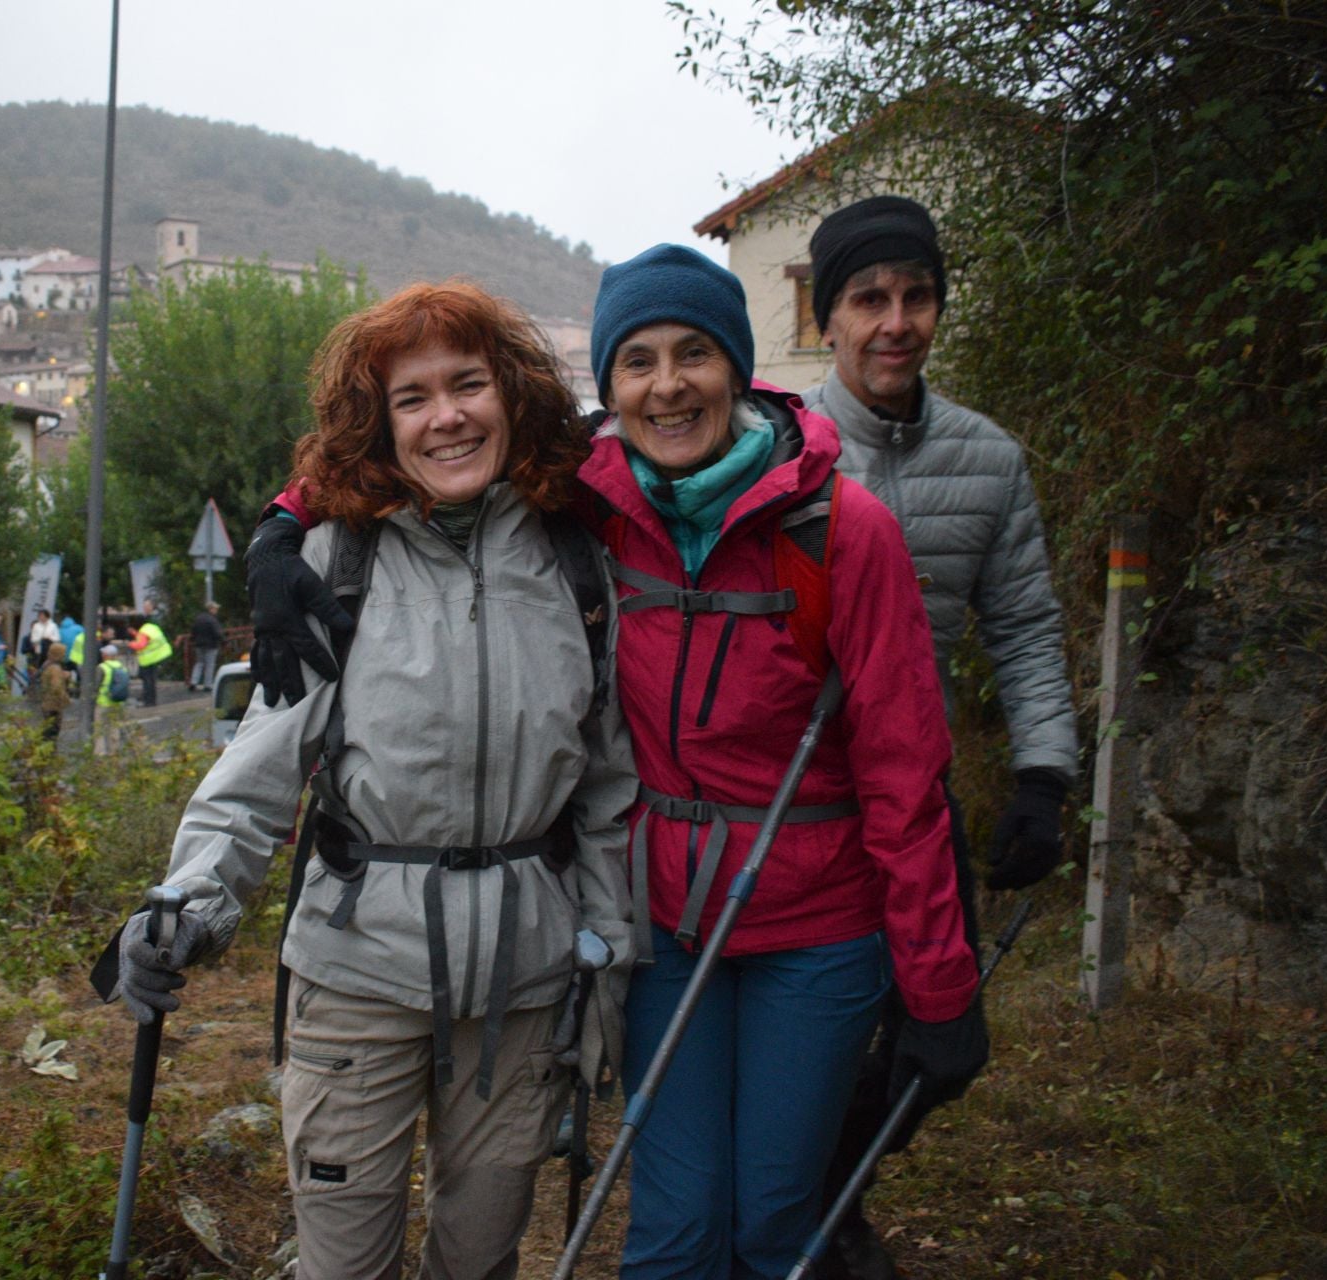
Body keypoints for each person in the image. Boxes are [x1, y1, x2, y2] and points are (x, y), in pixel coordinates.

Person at [246, 247, 984, 1278]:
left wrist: (941, 985)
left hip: (816, 922)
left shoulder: (840, 530)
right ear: (610, 384)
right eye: (637, 361)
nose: (668, 385)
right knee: (675, 1226)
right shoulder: (589, 500)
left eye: (695, 354)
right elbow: (409, 440)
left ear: (738, 366)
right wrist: (283, 526)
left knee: (778, 1218)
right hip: (661, 922)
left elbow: (907, 777)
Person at [110, 281, 636, 1280]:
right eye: (412, 397)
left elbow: (605, 783)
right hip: (358, 970)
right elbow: (260, 767)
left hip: (525, 980)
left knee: (479, 1263)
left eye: (468, 384)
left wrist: (608, 952)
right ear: (381, 423)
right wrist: (188, 901)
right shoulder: (333, 560)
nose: (447, 416)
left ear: (512, 394)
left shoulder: (574, 557)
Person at [799, 195, 1078, 1278]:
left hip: (914, 796)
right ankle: (802, 1216)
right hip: (792, 800)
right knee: (813, 1030)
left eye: (917, 297)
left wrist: (1045, 773)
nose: (895, 322)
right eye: (869, 298)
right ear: (829, 315)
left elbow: (1025, 627)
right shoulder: (778, 444)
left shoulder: (989, 460)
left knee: (944, 1042)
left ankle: (831, 1189)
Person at [93, 642, 132, 755]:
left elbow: (96, 685)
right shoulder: (122, 667)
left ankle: (100, 752)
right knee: (114, 727)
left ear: (106, 655)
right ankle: (114, 751)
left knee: (99, 728)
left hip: (103, 702)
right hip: (117, 702)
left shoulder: (102, 667)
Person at [128, 612, 172, 707]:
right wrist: (135, 633)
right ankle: (150, 700)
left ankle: (149, 701)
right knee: (151, 680)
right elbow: (148, 639)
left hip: (149, 659)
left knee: (148, 681)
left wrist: (130, 644)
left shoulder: (143, 632)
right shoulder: (151, 627)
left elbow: (141, 644)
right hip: (160, 654)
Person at [188, 602, 224, 691]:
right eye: (215, 609)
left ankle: (193, 682)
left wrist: (193, 640)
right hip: (211, 645)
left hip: (199, 644)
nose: (216, 610)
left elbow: (193, 631)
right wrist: (223, 640)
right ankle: (208, 685)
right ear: (211, 609)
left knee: (199, 663)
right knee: (210, 665)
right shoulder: (213, 620)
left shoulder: (198, 618)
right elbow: (217, 633)